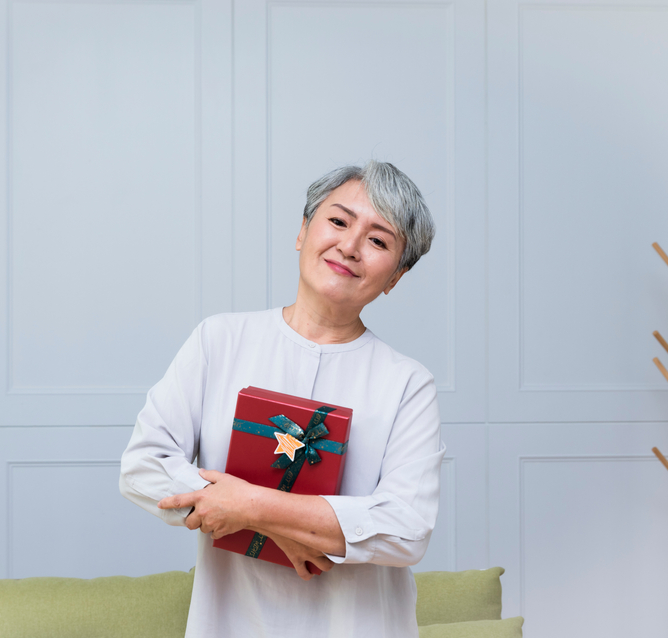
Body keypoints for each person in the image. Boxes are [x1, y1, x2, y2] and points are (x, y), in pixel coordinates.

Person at [119, 161, 445, 637]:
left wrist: (251, 507)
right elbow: (143, 467)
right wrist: (277, 527)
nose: (350, 247)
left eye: (378, 241)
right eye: (338, 221)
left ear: (394, 277)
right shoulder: (219, 340)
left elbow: (407, 528)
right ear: (302, 232)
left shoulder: (408, 384)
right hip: (232, 623)